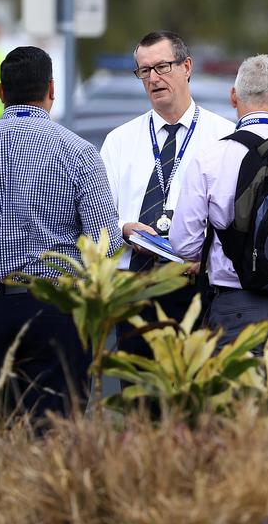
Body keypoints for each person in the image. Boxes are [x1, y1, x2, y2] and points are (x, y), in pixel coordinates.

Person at [0, 46, 122, 421]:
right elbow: (107, 245)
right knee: (56, 434)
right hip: (60, 311)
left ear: (1, 93)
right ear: (52, 89)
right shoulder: (79, 153)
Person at [170, 54, 268, 375]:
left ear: (233, 97)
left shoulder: (210, 158)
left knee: (235, 416)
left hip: (235, 308)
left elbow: (184, 244)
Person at [99, 31, 234, 356]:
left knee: (193, 394)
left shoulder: (225, 136)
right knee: (140, 394)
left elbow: (236, 215)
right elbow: (98, 215)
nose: (154, 78)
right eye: (144, 71)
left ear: (186, 66)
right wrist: (124, 229)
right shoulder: (120, 141)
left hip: (199, 285)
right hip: (136, 287)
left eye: (162, 67)